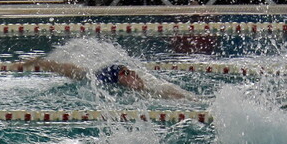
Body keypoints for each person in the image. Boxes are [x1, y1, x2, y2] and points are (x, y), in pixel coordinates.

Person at [20, 57, 195, 101]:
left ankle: (193, 100)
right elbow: (58, 67)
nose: (135, 76)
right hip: (112, 74)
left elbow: (57, 66)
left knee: (152, 91)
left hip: (111, 75)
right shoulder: (87, 77)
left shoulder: (87, 77)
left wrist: (36, 63)